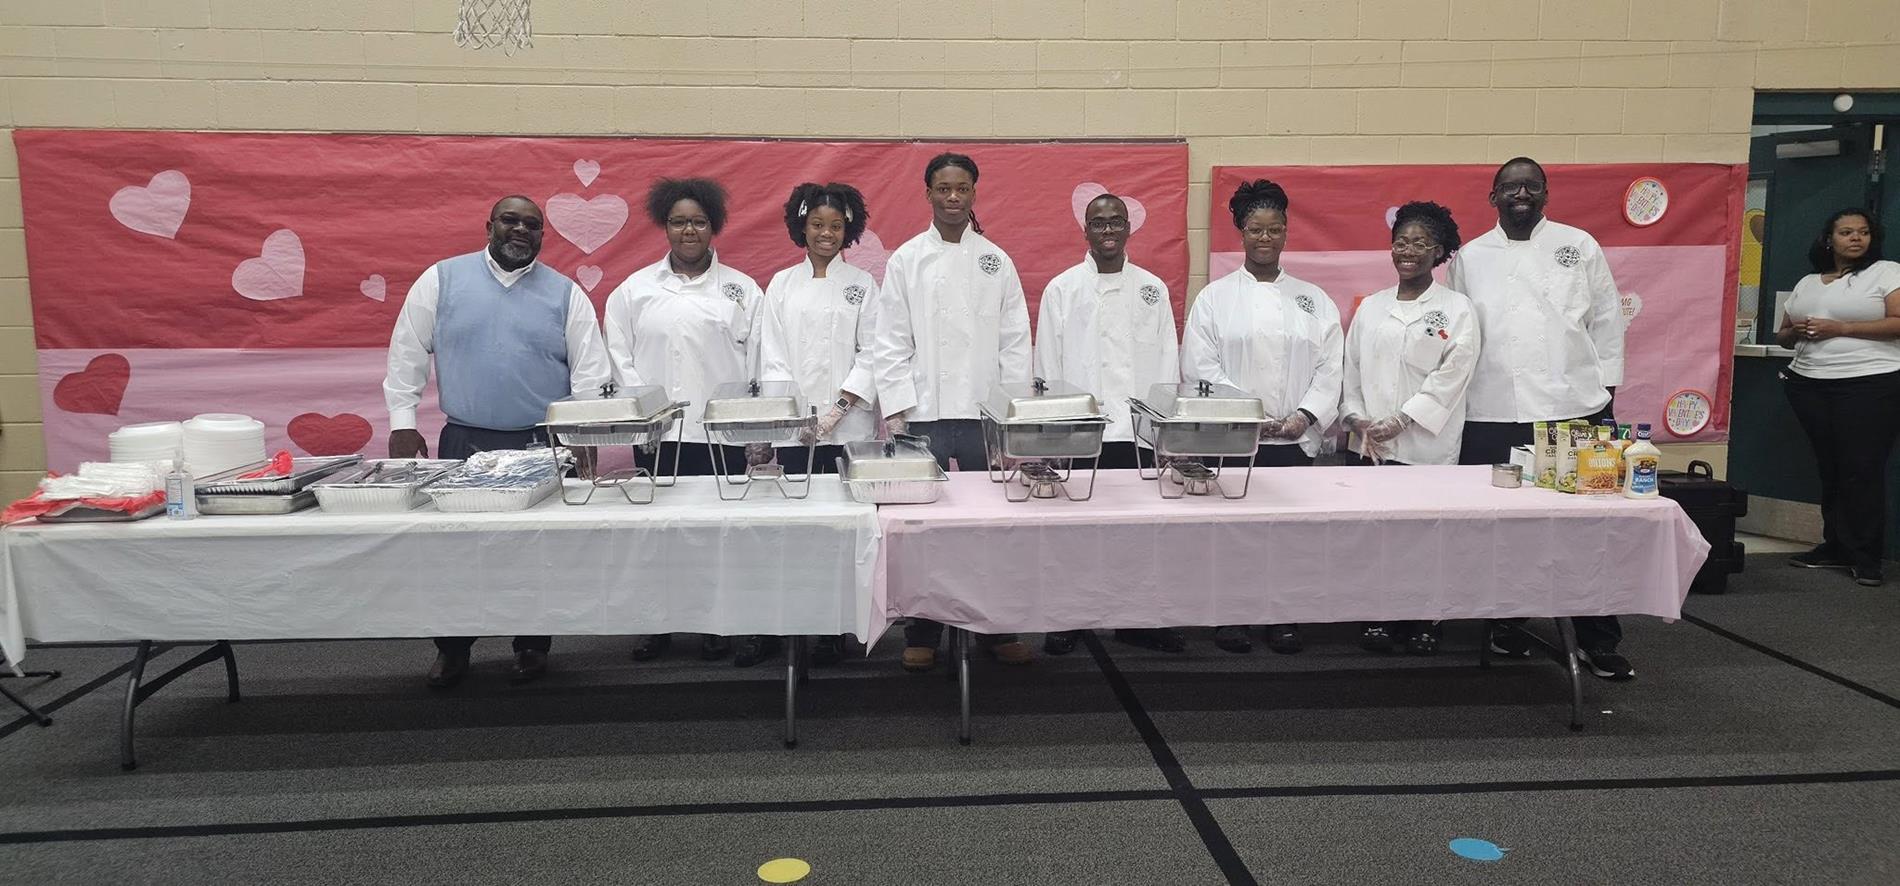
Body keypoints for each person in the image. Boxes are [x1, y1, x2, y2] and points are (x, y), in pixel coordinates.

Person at [383, 195, 613, 688]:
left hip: (541, 445)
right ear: (488, 224)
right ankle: (453, 649)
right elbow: (407, 352)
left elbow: (590, 375)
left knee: (535, 551)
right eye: (510, 221)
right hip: (465, 440)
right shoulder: (441, 280)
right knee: (455, 551)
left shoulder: (565, 293)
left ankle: (532, 645)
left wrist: (584, 435)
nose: (521, 230)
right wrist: (403, 421)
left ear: (542, 236)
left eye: (532, 225)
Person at [1447, 157, 1633, 680]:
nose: (1520, 194)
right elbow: (1461, 334)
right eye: (1509, 187)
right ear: (1493, 197)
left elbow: (1606, 321)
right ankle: (1509, 622)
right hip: (1492, 411)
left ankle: (1600, 637)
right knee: (1501, 528)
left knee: (1587, 528)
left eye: (1530, 186)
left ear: (1546, 194)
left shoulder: (1580, 246)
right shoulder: (1470, 257)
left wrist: (1605, 390)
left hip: (1573, 407)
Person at [872, 152, 1035, 672]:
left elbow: (1015, 343)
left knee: (994, 522)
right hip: (923, 414)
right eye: (943, 189)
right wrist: (897, 407)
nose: (952, 198)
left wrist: (1012, 415)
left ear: (974, 193)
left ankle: (997, 627)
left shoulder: (996, 260)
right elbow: (890, 340)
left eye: (962, 189)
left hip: (984, 416)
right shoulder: (906, 260)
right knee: (921, 528)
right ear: (928, 193)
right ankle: (922, 628)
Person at [603, 177, 764, 664]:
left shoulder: (742, 290)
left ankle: (716, 623)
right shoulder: (634, 291)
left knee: (721, 535)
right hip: (658, 437)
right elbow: (619, 361)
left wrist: (754, 433)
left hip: (721, 437)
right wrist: (643, 420)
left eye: (698, 221)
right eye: (678, 222)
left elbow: (757, 367)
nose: (688, 230)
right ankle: (659, 623)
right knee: (659, 535)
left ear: (713, 227)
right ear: (664, 227)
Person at [1183, 179, 1342, 655]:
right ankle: (1231, 616)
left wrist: (1303, 416)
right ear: (1241, 233)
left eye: (1275, 229)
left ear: (1287, 232)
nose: (1265, 238)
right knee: (1234, 534)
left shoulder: (1312, 298)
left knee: (1289, 535)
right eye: (1256, 229)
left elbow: (1331, 366)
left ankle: (1283, 616)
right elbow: (1200, 367)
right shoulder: (1215, 298)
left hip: (1293, 441)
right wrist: (1249, 418)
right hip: (1233, 441)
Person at [1034, 193, 1183, 656]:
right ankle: (1069, 618)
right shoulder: (1062, 289)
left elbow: (1166, 367)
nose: (1108, 231)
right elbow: (1047, 367)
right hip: (1080, 433)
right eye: (1098, 224)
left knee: (1139, 529)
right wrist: (1053, 431)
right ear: (1085, 231)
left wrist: (1163, 433)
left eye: (1116, 222)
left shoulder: (1151, 289)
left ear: (1129, 228)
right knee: (1074, 529)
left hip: (1137, 436)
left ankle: (1137, 619)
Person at [1339, 201, 1478, 656]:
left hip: (1426, 446)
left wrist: (1403, 419)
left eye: (1421, 243)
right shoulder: (1372, 307)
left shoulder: (1457, 310)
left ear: (1440, 251)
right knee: (1376, 537)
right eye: (1401, 241)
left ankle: (1426, 617)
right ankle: (1376, 615)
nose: (1409, 251)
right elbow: (1351, 371)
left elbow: (1452, 375)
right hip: (1371, 446)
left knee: (1425, 537)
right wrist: (1359, 419)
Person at [758, 181, 882, 666]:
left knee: (844, 528)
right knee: (794, 525)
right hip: (794, 431)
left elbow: (872, 352)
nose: (826, 233)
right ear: (801, 227)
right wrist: (792, 420)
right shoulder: (782, 285)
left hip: (847, 429)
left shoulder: (863, 285)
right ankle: (792, 619)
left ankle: (839, 623)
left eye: (835, 225)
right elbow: (772, 358)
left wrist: (836, 412)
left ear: (848, 229)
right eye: (817, 225)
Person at [1777, 209, 1900, 588]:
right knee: (1830, 467)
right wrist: (1796, 331)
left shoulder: (1887, 272)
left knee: (1860, 468)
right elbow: (1783, 335)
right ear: (1829, 240)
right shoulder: (1808, 282)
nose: (1855, 238)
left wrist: (1841, 327)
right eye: (1846, 232)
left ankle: (1866, 557)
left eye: (1863, 232)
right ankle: (1835, 545)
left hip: (1870, 381)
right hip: (1810, 382)